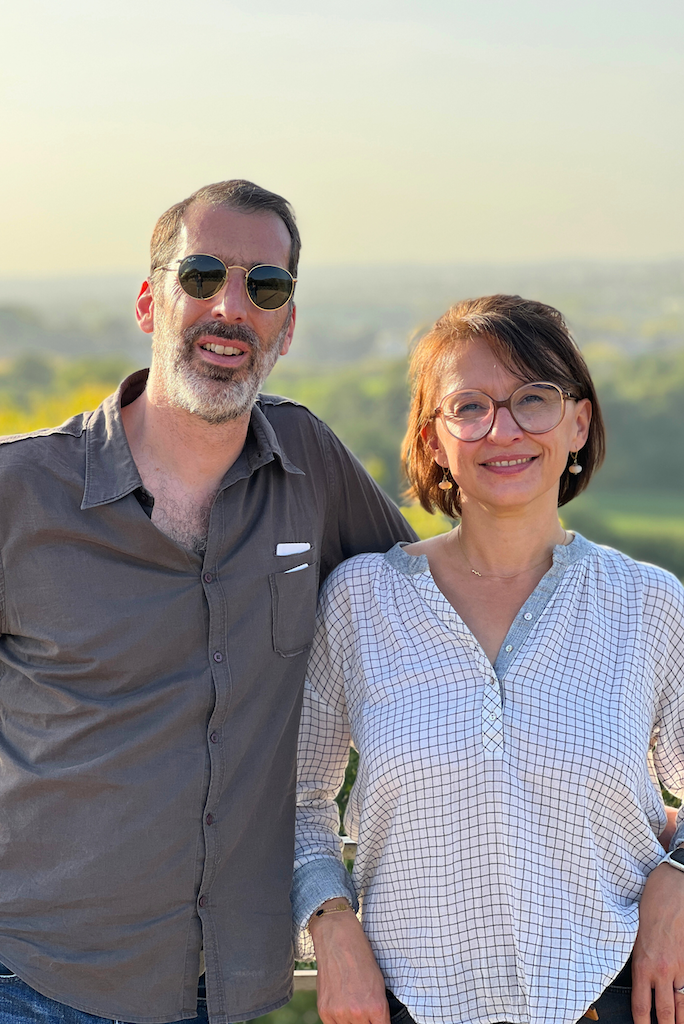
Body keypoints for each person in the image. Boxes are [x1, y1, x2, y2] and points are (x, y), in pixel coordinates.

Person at [0, 180, 416, 1024]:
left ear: (286, 327)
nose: (231, 307)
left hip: (225, 990)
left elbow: (440, 622)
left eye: (265, 286)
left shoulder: (311, 465)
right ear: (149, 302)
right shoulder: (19, 491)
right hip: (31, 983)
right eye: (201, 276)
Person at [293, 294, 684, 1024]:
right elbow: (297, 801)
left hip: (617, 998)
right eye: (469, 407)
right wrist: (331, 923)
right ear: (434, 440)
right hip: (407, 1006)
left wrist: (678, 877)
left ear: (579, 423)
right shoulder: (360, 601)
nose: (503, 430)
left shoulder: (648, 604)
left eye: (534, 399)